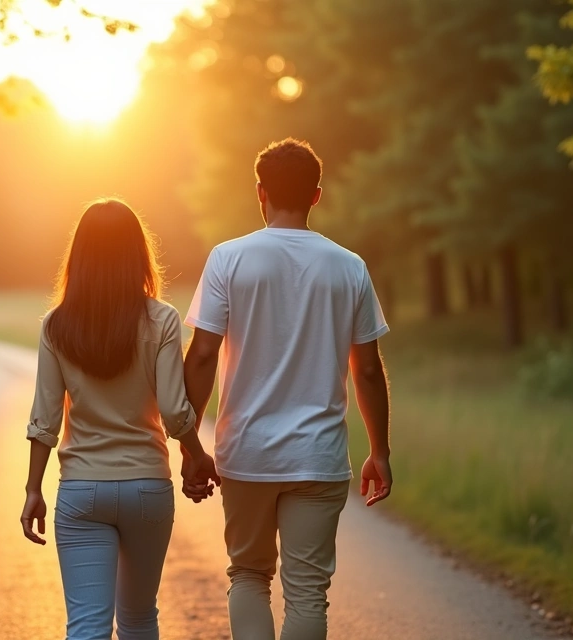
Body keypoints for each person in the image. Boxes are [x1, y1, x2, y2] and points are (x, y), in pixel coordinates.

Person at [181, 138, 393, 640]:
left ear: (261, 192)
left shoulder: (228, 259)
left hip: (246, 453)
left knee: (249, 575)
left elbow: (204, 354)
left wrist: (191, 445)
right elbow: (366, 370)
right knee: (307, 591)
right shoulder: (349, 267)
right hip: (318, 457)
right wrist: (380, 451)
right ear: (316, 196)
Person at [20, 199, 222, 640]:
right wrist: (196, 455)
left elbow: (45, 419)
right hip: (147, 489)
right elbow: (173, 410)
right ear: (138, 254)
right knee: (138, 620)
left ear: (81, 257)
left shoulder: (56, 325)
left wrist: (34, 488)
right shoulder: (162, 319)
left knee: (88, 627)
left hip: (81, 492)